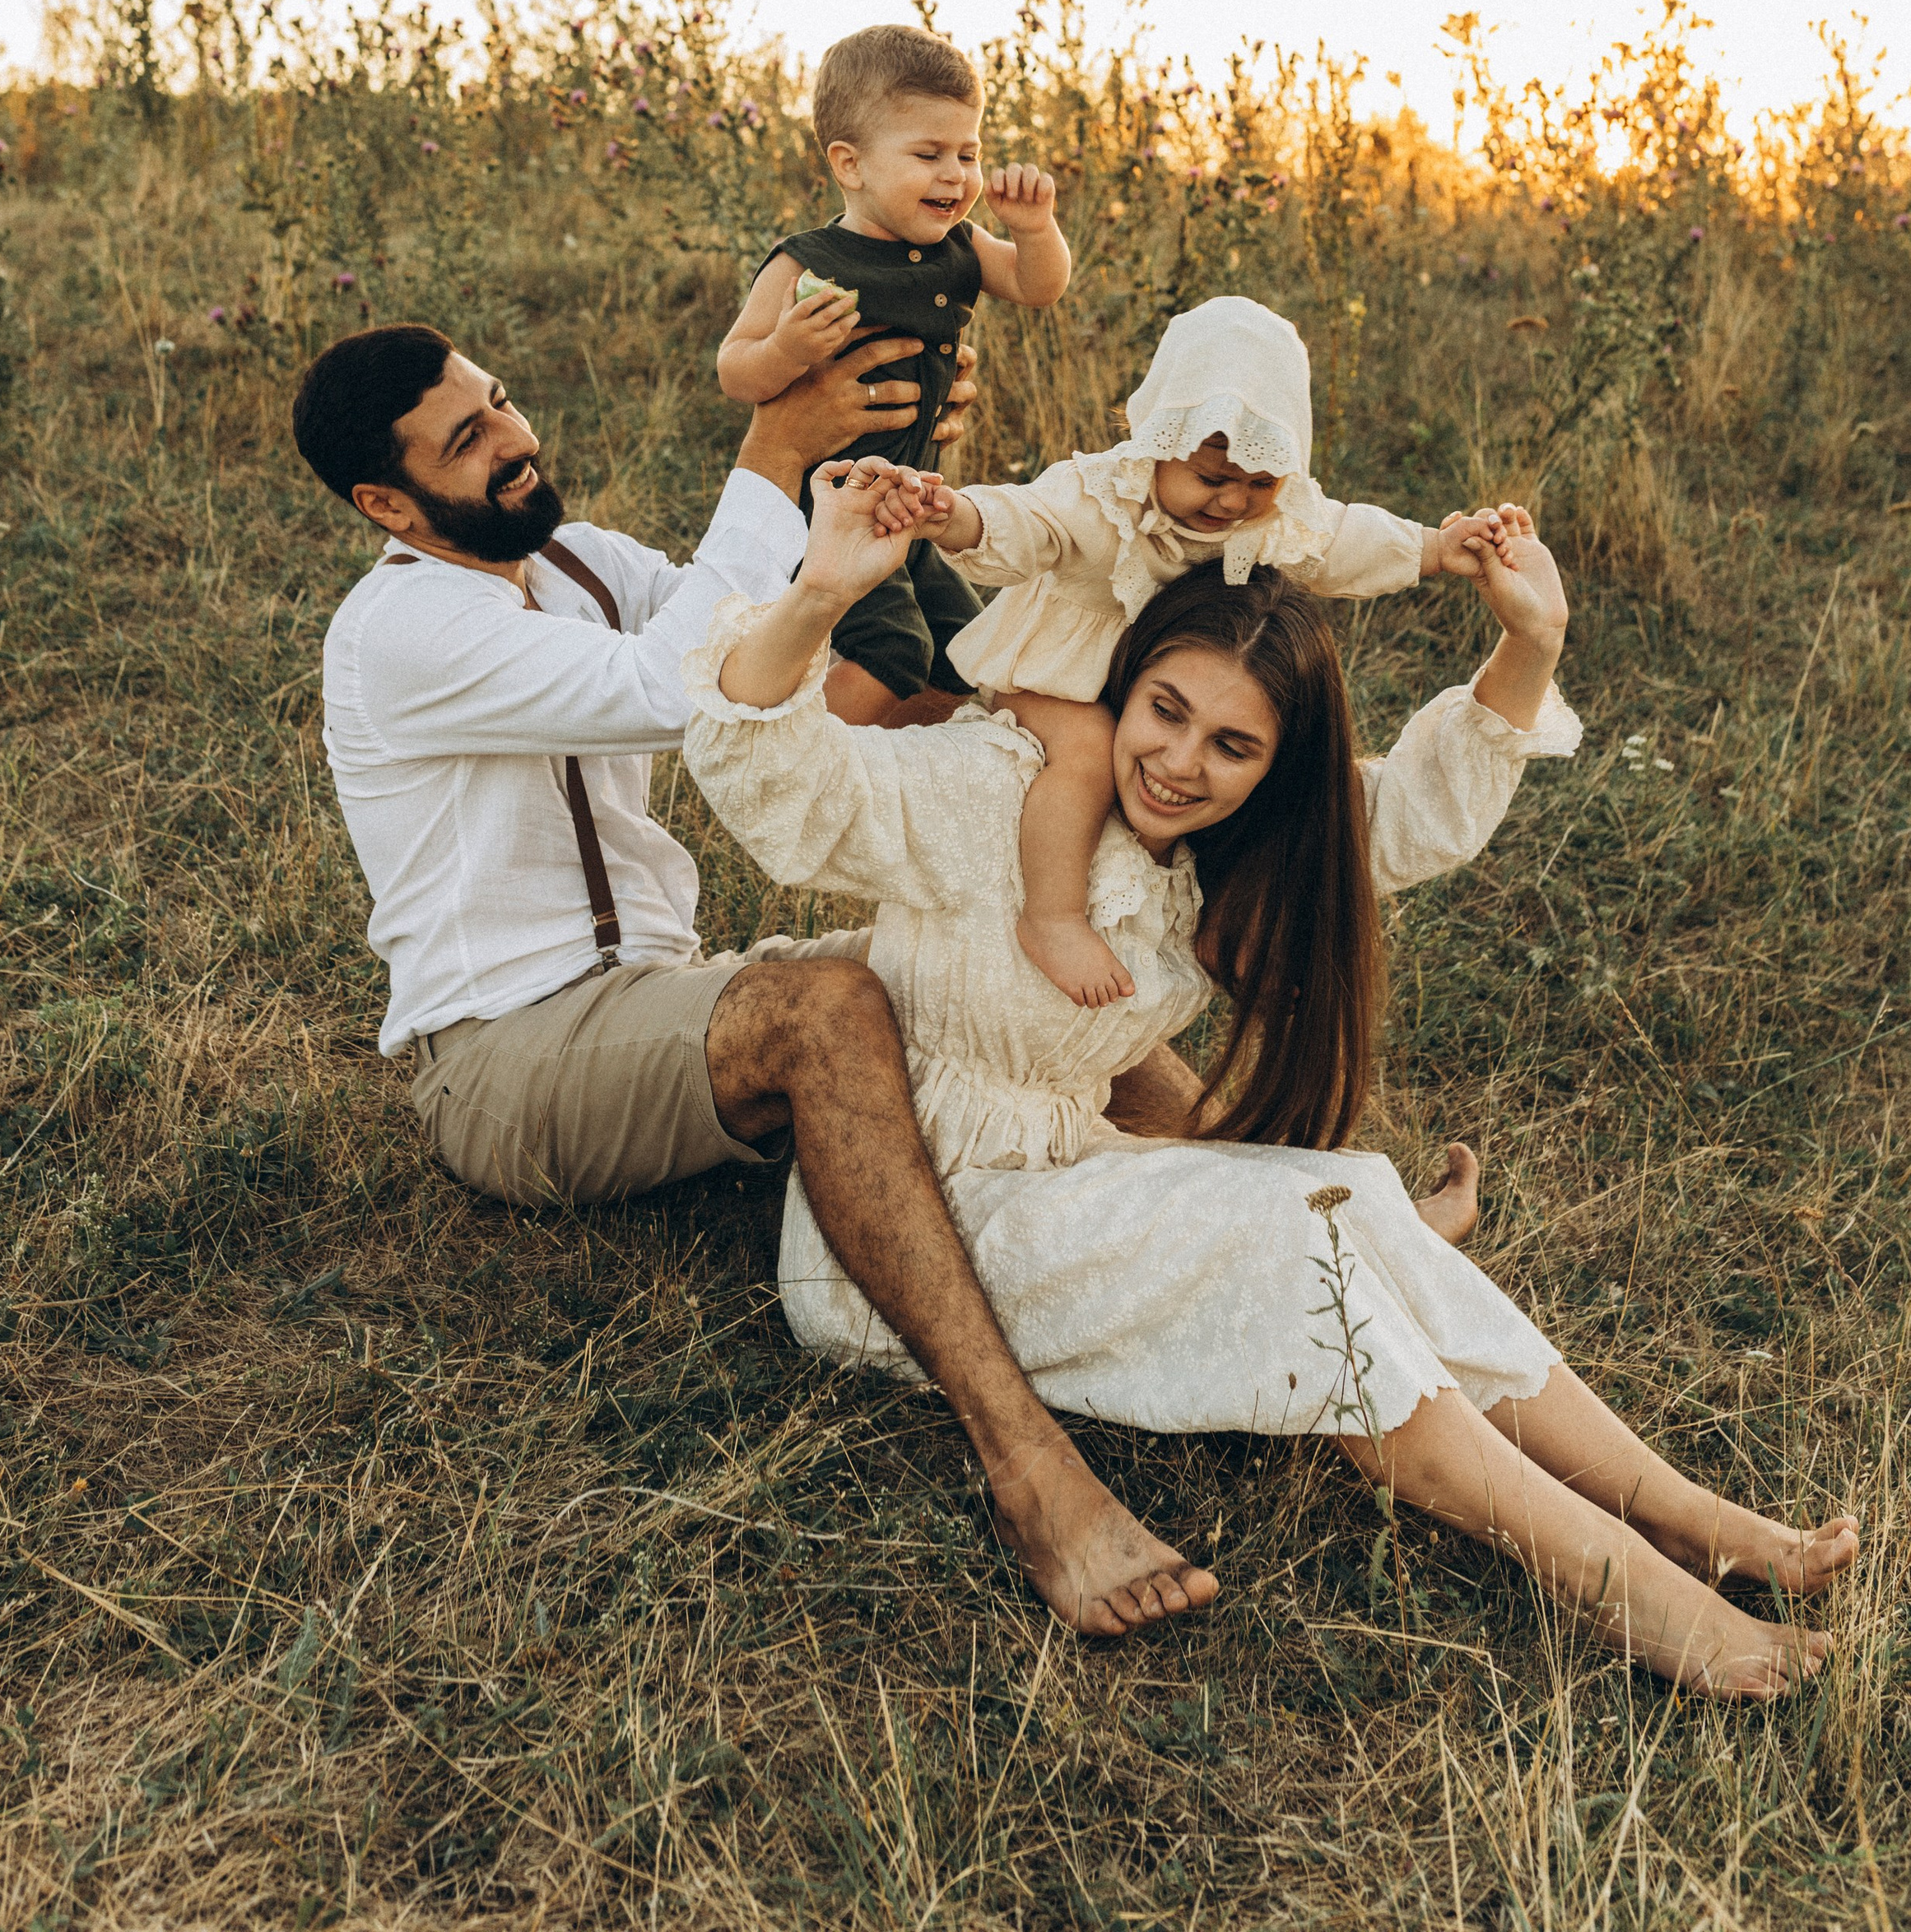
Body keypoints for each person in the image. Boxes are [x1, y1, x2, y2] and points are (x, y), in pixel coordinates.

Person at [683, 462, 1858, 1697]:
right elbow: (786, 787)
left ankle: (1686, 1515)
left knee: (1348, 1198)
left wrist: (1534, 637)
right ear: (1123, 686)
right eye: (1164, 711)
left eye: (1233, 744)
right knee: (1292, 1240)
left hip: (1064, 1186)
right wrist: (817, 598)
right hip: (908, 1243)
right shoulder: (999, 791)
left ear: (1275, 768)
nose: (1181, 763)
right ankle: (1622, 1585)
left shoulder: (1222, 853)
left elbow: (1409, 817)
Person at [291, 319, 1219, 1640]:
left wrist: (885, 490)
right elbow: (686, 682)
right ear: (386, 503)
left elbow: (773, 656)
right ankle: (1031, 1473)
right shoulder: (398, 630)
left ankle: (1289, 1193)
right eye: (466, 439)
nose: (513, 441)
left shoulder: (574, 560)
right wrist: (777, 444)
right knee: (825, 1010)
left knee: (997, 940)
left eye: (498, 404)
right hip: (501, 1061)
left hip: (655, 995)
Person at [909, 294, 1499, 1009]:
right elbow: (1026, 522)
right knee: (1093, 752)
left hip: (1165, 700)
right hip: (1054, 683)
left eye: (1258, 482)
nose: (1231, 504)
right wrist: (958, 517)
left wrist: (1435, 548)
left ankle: (1226, 921)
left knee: (1238, 773)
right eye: (1212, 479)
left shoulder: (1271, 522)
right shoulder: (1103, 500)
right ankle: (1053, 916)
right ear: (1158, 439)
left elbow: (1342, 540)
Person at [716, 23, 1069, 729]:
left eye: (968, 153)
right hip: (833, 509)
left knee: (966, 654)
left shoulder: (961, 246)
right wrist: (787, 347)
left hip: (911, 507)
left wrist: (1034, 229)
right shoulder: (809, 261)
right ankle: (783, 758)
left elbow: (1039, 287)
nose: (956, 175)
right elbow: (736, 370)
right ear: (851, 165)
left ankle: (879, 766)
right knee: (890, 646)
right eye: (928, 154)